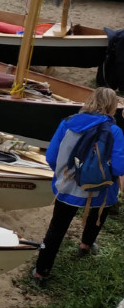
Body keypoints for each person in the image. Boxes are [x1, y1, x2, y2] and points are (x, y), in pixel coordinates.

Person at [32, 88, 124, 284]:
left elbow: (51, 156)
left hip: (68, 187)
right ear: (112, 106)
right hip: (100, 189)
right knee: (99, 213)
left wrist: (64, 174)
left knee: (57, 228)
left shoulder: (67, 122)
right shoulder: (114, 130)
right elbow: (118, 167)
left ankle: (41, 271)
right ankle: (85, 245)